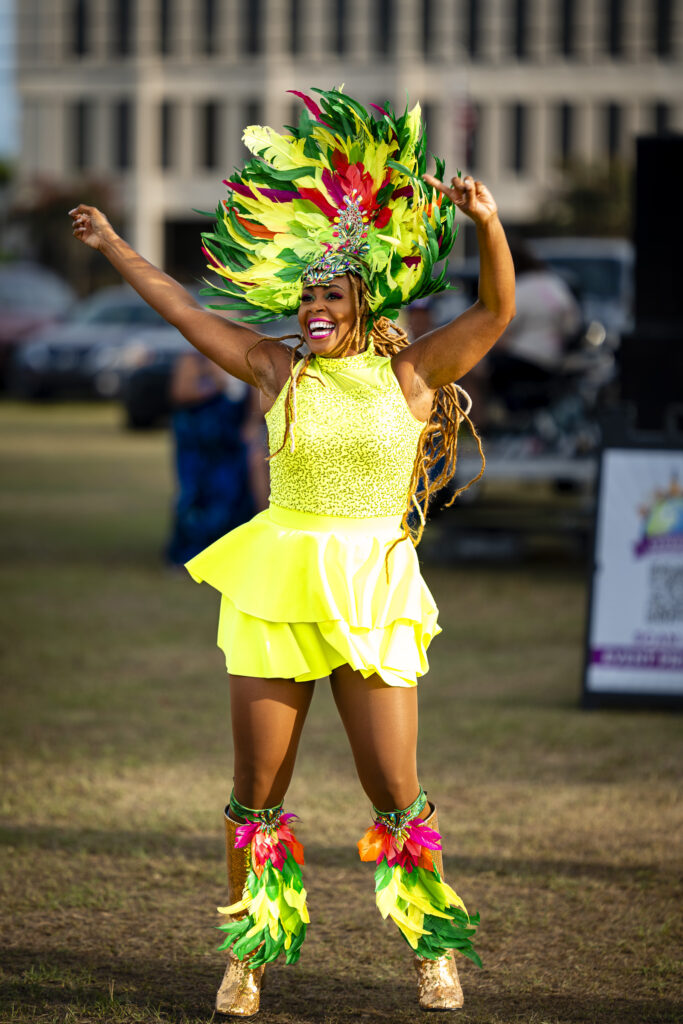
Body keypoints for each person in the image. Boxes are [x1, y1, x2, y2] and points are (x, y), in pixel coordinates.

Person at [70, 88, 514, 1016]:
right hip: (277, 586)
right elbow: (182, 309)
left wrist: (487, 223)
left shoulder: (411, 374)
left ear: (363, 300)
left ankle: (432, 951)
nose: (314, 306)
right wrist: (113, 245)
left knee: (395, 790)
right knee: (255, 793)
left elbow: (494, 311)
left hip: (372, 588)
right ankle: (249, 956)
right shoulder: (277, 370)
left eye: (330, 294)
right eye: (306, 294)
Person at [166, 351, 267, 566]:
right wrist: (216, 385)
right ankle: (192, 554)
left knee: (234, 494)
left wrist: (251, 424)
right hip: (199, 443)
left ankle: (229, 555)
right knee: (197, 495)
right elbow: (180, 394)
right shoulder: (195, 359)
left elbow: (254, 398)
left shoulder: (246, 358)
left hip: (231, 442)